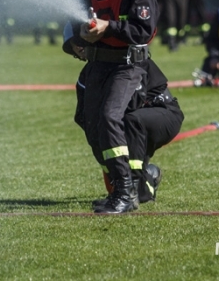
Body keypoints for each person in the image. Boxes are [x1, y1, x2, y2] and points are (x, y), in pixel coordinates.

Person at [64, 0, 158, 214]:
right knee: (89, 122)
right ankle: (128, 185)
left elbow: (145, 30)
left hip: (127, 65)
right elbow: (70, 23)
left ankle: (125, 193)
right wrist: (75, 42)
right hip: (97, 64)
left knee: (108, 117)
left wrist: (108, 28)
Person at [63, 24, 183, 209]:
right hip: (132, 127)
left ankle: (136, 184)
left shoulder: (125, 65)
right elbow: (83, 118)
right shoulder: (87, 77)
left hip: (162, 112)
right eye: (73, 46)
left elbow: (129, 106)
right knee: (100, 128)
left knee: (129, 120)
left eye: (80, 41)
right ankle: (144, 179)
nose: (79, 48)